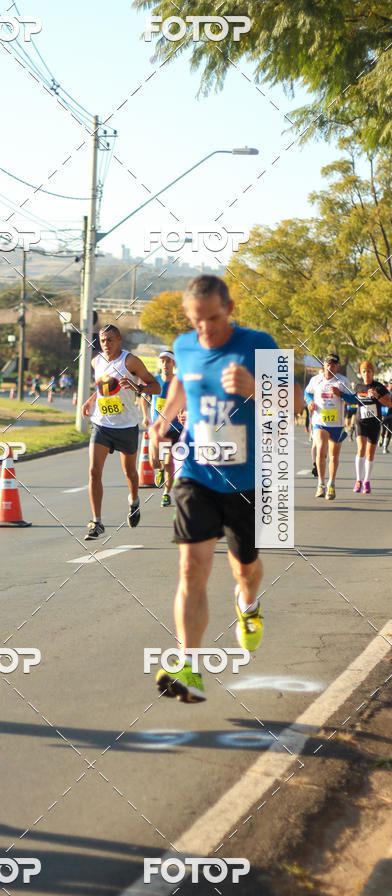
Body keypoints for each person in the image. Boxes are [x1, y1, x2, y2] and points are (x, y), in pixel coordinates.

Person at [150, 275, 302, 702]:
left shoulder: (258, 344)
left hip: (249, 481)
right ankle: (188, 666)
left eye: (212, 320)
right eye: (196, 322)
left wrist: (257, 389)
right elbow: (182, 381)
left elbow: (295, 402)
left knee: (245, 571)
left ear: (229, 309)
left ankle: (248, 607)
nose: (205, 331)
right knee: (191, 568)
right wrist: (164, 420)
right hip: (196, 472)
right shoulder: (185, 345)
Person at [81, 324, 160, 539]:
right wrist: (90, 400)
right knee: (94, 471)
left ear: (119, 339)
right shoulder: (96, 361)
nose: (106, 344)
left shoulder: (130, 361)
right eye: (102, 340)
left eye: (110, 340)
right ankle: (96, 522)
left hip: (126, 426)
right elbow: (102, 388)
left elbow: (156, 386)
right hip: (101, 425)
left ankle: (134, 500)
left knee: (130, 473)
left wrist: (138, 389)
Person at [304, 353, 355, 500]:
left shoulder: (342, 381)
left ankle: (331, 483)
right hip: (320, 422)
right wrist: (310, 402)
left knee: (333, 456)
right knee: (320, 450)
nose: (330, 366)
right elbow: (307, 393)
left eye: (333, 364)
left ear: (337, 366)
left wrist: (341, 394)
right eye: (328, 364)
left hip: (337, 425)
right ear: (324, 365)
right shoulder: (316, 380)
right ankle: (321, 484)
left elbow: (354, 399)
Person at [142, 350, 183, 507]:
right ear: (160, 363)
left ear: (173, 363)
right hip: (157, 429)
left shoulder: (178, 382)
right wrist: (145, 416)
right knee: (154, 462)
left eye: (168, 361)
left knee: (168, 462)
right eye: (162, 361)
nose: (165, 364)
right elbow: (144, 400)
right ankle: (159, 471)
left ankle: (166, 494)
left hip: (175, 428)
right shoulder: (155, 381)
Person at [352, 361, 391, 493]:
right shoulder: (358, 387)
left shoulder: (379, 387)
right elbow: (350, 400)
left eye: (369, 371)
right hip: (361, 422)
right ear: (361, 373)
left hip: (374, 424)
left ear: (373, 373)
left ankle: (366, 481)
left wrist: (377, 396)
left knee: (370, 452)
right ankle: (358, 480)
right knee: (361, 449)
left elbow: (389, 404)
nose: (366, 373)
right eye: (364, 371)